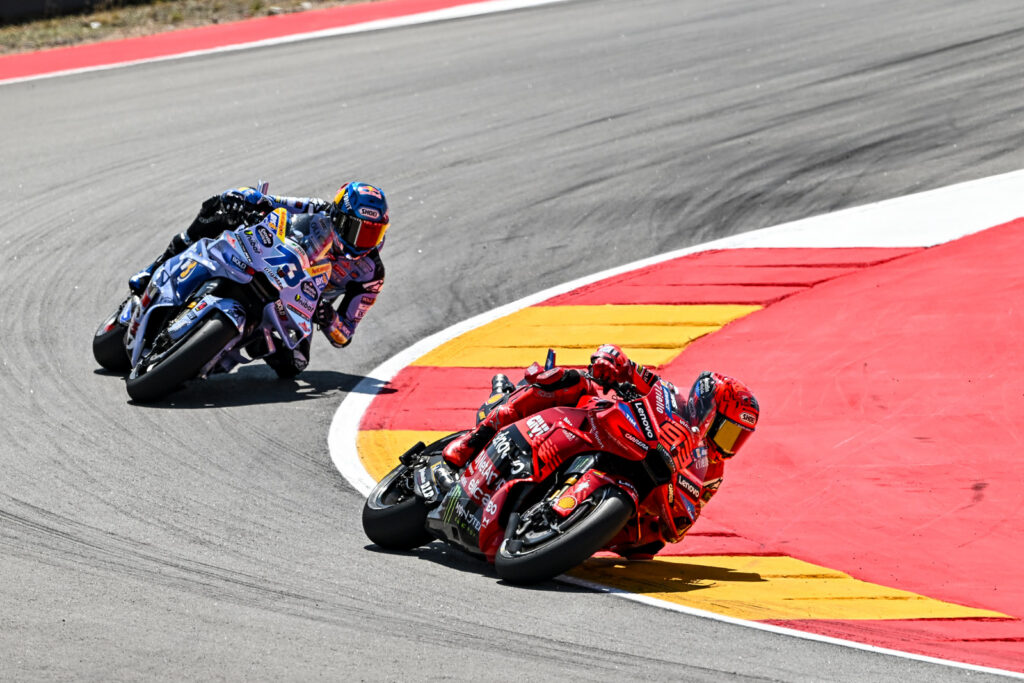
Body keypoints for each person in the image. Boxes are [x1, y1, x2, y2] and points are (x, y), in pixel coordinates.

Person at [441, 344, 759, 557]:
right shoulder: (670, 396)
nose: (728, 445)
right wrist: (612, 361)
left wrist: (670, 515)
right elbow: (629, 367)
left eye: (738, 438)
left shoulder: (712, 473)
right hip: (610, 434)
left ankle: (565, 534)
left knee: (647, 545)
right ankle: (473, 440)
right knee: (569, 382)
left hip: (643, 495)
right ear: (708, 409)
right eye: (727, 431)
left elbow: (686, 518)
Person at [128, 182, 390, 378]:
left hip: (300, 304)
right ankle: (154, 268)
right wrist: (246, 198)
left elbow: (345, 335)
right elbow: (271, 201)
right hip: (272, 262)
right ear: (338, 216)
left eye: (373, 234)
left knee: (294, 364)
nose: (363, 242)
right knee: (220, 210)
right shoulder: (320, 210)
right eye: (358, 230)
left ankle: (234, 342)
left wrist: (328, 317)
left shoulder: (371, 274)